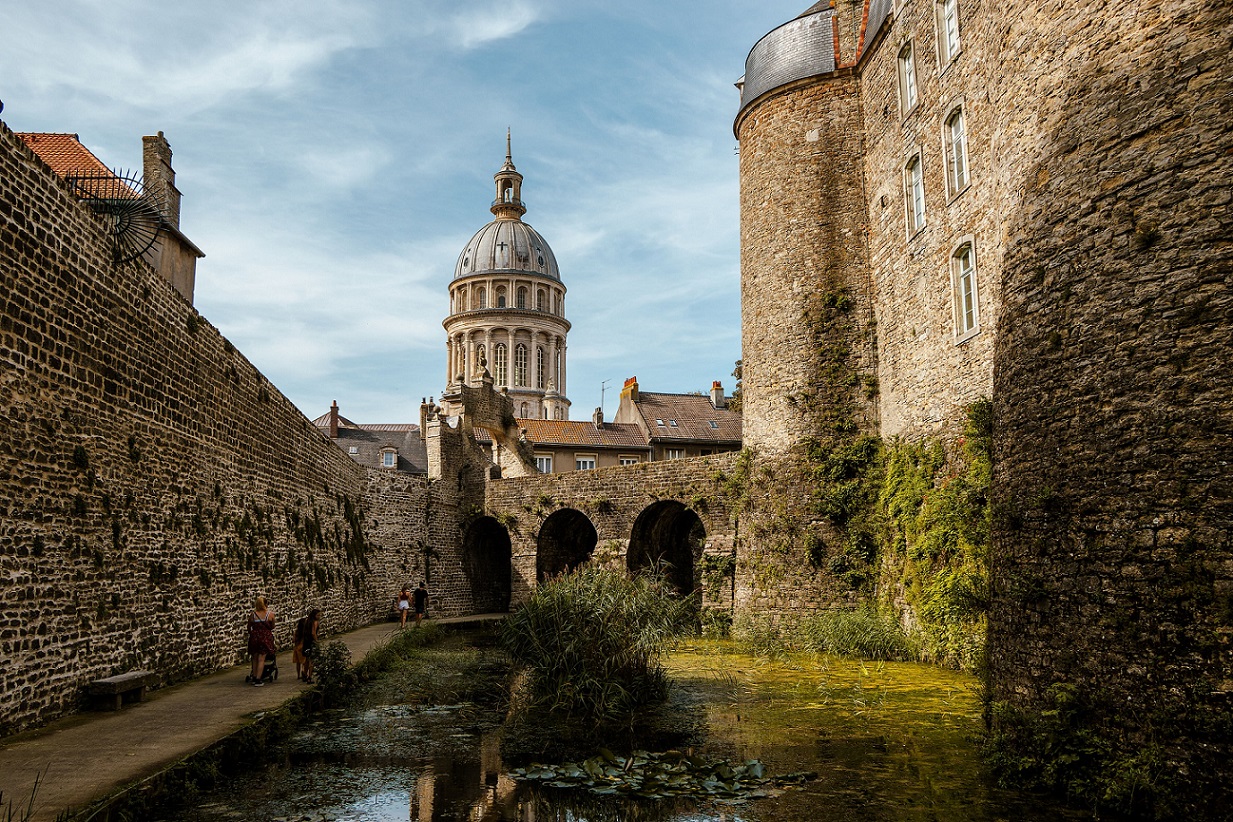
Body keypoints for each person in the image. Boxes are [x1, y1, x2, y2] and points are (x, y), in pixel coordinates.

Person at [247, 596, 276, 687]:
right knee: (261, 658)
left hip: (255, 637)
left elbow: (249, 626)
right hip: (265, 638)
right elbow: (272, 626)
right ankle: (258, 679)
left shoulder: (253, 615)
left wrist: (253, 633)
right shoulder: (270, 615)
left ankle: (254, 677)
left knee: (254, 658)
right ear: (265, 604)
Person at [301, 609, 321, 684]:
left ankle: (305, 675)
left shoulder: (307, 621)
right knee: (311, 660)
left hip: (306, 641)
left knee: (306, 659)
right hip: (311, 642)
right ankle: (309, 676)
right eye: (318, 615)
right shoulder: (315, 622)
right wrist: (316, 641)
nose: (319, 617)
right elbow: (313, 633)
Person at [292, 615, 309, 681]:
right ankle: (304, 672)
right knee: (304, 662)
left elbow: (293, 640)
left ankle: (298, 675)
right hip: (303, 646)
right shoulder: (306, 632)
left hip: (297, 648)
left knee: (298, 662)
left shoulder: (297, 632)